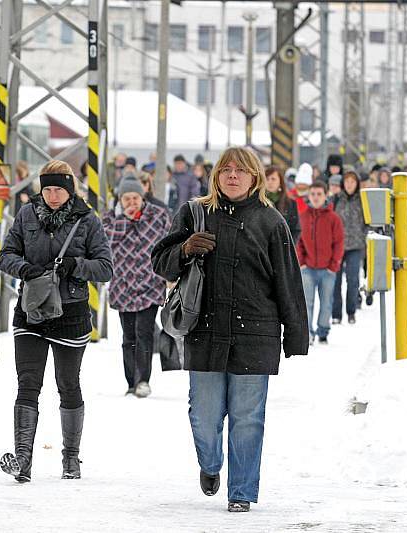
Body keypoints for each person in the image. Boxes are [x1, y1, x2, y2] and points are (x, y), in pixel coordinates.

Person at [152, 147, 308, 513]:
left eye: (241, 170)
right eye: (226, 170)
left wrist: (296, 334)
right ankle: (209, 464)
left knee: (248, 419)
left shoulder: (272, 222)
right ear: (216, 176)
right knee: (204, 417)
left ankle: (241, 491)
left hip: (256, 335)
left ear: (255, 177)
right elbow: (161, 262)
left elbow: (288, 281)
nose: (232, 175)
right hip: (205, 331)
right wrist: (185, 249)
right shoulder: (195, 214)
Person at [0, 160, 113, 483]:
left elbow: (105, 268)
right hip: (31, 311)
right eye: (47, 189)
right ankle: (23, 459)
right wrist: (24, 269)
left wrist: (76, 265)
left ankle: (71, 457)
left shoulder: (88, 220)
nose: (51, 195)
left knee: (68, 384)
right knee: (28, 383)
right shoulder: (26, 215)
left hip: (70, 313)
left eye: (58, 189)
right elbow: (4, 255)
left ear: (70, 189)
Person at [102, 176, 171, 398]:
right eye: (126, 198)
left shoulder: (157, 215)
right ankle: (131, 381)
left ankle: (143, 380)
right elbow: (103, 243)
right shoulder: (110, 219)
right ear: (120, 199)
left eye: (135, 197)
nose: (131, 202)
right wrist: (124, 220)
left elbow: (170, 243)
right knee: (128, 336)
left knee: (144, 332)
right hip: (123, 286)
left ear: (143, 197)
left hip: (151, 284)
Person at [296, 180, 344, 344]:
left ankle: (323, 331)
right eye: (313, 194)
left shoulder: (333, 218)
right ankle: (308, 332)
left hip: (327, 270)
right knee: (307, 303)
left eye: (319, 194)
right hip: (307, 268)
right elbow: (299, 242)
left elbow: (338, 243)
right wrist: (301, 262)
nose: (316, 197)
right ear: (308, 196)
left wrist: (333, 265)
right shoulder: (303, 217)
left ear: (325, 196)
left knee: (326, 303)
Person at [332, 168, 367, 325]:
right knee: (335, 281)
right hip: (337, 246)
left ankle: (351, 311)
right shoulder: (336, 200)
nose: (350, 185)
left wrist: (364, 236)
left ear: (357, 184)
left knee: (353, 279)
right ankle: (336, 314)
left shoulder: (363, 200)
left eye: (353, 182)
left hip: (355, 246)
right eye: (347, 182)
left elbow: (368, 222)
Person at [265, 165, 300, 243]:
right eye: (267, 179)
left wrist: (288, 247)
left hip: (282, 250)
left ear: (280, 181)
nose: (270, 182)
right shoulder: (258, 202)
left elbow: (296, 230)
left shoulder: (291, 204)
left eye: (273, 179)